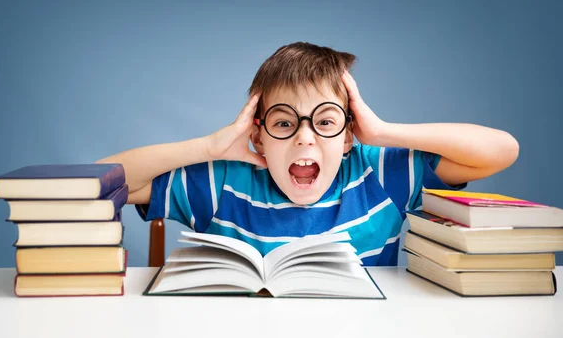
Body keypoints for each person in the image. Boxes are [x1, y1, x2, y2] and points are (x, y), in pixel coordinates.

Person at [97, 42, 519, 265]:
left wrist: (383, 132)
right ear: (258, 136)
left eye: (325, 121)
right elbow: (91, 184)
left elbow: (501, 151)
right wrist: (209, 147)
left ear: (349, 134)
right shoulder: (223, 182)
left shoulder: (377, 175)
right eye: (284, 122)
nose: (305, 139)